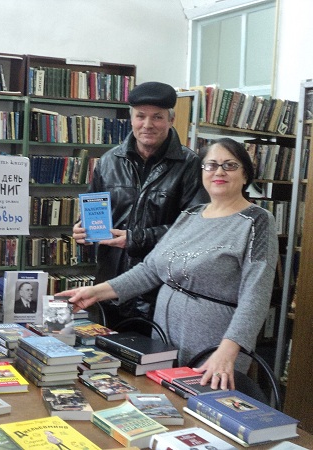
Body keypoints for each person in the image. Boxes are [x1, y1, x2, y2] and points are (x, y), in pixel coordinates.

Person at [61, 138, 278, 391]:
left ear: (245, 174)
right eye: (211, 165)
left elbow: (256, 295)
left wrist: (228, 350)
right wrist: (95, 293)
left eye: (229, 165)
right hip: (165, 340)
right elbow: (150, 270)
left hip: (215, 348)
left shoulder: (257, 221)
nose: (219, 172)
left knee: (204, 410)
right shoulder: (190, 215)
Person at [72, 81, 208, 330]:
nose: (147, 124)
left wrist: (137, 238)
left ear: (171, 119)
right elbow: (92, 210)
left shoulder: (190, 165)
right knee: (105, 352)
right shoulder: (109, 161)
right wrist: (82, 230)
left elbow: (195, 230)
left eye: (157, 117)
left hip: (160, 291)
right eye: (141, 116)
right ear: (131, 119)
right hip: (109, 286)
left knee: (154, 354)